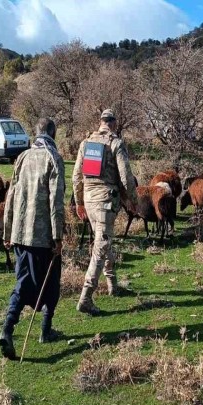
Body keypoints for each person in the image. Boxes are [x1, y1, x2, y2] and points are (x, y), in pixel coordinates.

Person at [0, 118, 65, 359]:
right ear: (53, 133)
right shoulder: (53, 158)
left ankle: (18, 328)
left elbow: (11, 195)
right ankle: (34, 330)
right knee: (48, 282)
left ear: (36, 133)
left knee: (24, 280)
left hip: (19, 234)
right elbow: (56, 201)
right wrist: (58, 236)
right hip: (42, 236)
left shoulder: (23, 157)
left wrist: (7, 232)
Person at [72, 109, 137, 315]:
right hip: (105, 202)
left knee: (104, 240)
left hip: (90, 201)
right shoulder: (116, 143)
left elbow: (75, 176)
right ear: (114, 123)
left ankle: (112, 284)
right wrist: (132, 200)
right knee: (101, 246)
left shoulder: (86, 143)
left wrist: (80, 202)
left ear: (100, 122)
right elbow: (126, 177)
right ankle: (86, 297)